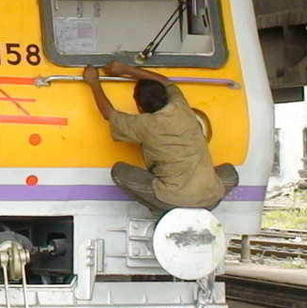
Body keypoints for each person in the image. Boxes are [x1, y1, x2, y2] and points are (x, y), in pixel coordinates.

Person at [83, 60, 238, 212]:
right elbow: (165, 81)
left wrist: (93, 82)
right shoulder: (180, 106)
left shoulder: (144, 125)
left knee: (119, 171)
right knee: (230, 172)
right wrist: (126, 69)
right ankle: (199, 199)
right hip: (211, 198)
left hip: (173, 199)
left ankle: (162, 209)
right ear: (166, 96)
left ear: (139, 106)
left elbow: (108, 113)